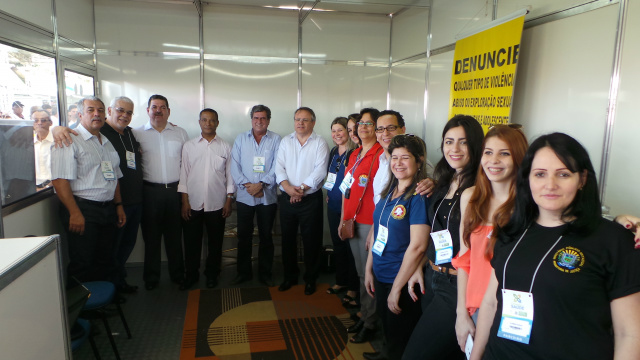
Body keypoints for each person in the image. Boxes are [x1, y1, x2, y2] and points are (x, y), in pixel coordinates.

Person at [470, 132, 640, 360]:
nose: (550, 185)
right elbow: (491, 302)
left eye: (563, 174)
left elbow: (629, 333)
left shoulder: (613, 240)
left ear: (582, 179)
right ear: (527, 178)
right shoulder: (511, 230)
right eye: (540, 174)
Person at [403, 115, 485, 360]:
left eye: (463, 142)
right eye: (449, 142)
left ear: (476, 146)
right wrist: (421, 265)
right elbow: (434, 231)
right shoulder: (444, 181)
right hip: (432, 277)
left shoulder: (480, 188)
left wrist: (463, 309)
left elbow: (473, 249)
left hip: (456, 286)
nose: (454, 149)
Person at [451, 125, 528, 353]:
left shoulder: (530, 205)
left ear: (519, 157)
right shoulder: (471, 197)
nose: (494, 160)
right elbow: (465, 261)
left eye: (504, 153)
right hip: (474, 309)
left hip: (510, 314)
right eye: (488, 152)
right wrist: (461, 313)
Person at [363, 134, 431, 360]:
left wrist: (396, 289)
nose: (398, 163)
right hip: (381, 272)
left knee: (401, 337)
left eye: (405, 158)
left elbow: (418, 246)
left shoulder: (418, 197)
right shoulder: (388, 192)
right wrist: (369, 269)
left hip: (399, 278)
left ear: (419, 161)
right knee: (388, 329)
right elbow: (378, 232)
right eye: (394, 157)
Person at [50, 96, 126, 282]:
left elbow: (114, 176)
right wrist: (74, 213)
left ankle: (100, 304)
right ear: (80, 114)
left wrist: (118, 205)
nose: (96, 114)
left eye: (100, 110)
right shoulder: (69, 140)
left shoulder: (105, 142)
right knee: (82, 262)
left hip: (107, 209)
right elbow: (60, 181)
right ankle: (82, 309)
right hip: (82, 209)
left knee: (103, 259)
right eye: (91, 110)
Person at [338, 107, 383, 344]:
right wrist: (342, 219)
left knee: (369, 276)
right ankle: (365, 315)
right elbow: (347, 189)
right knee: (359, 272)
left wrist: (375, 229)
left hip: (369, 224)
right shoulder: (355, 154)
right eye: (360, 123)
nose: (363, 127)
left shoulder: (382, 154)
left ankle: (371, 322)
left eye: (369, 123)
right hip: (352, 221)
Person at [136, 94, 189, 290]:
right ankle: (151, 277)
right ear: (148, 110)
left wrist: (185, 197)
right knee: (151, 238)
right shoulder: (137, 134)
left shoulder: (180, 133)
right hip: (150, 192)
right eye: (154, 107)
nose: (158, 110)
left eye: (162, 107)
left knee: (175, 237)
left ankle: (177, 274)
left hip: (175, 191)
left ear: (168, 111)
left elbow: (186, 165)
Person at [179, 108, 235, 290]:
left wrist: (229, 199)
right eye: (204, 120)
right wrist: (184, 201)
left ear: (217, 123)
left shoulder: (225, 147)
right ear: (199, 122)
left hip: (217, 203)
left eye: (212, 120)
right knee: (191, 242)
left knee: (215, 243)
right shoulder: (189, 146)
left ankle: (212, 274)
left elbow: (230, 176)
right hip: (193, 202)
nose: (208, 123)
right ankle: (191, 275)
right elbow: (184, 175)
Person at [275, 106, 329, 295]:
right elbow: (279, 168)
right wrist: (289, 189)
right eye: (297, 119)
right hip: (287, 198)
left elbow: (320, 170)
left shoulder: (320, 142)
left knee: (311, 241)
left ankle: (311, 279)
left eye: (305, 120)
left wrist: (301, 189)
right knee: (288, 239)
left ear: (313, 122)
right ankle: (290, 277)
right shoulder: (285, 141)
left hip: (310, 199)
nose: (300, 123)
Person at [230, 105, 281, 287]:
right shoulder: (241, 139)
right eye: (256, 118)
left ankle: (265, 273)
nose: (259, 121)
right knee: (244, 236)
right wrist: (248, 186)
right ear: (251, 119)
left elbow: (278, 166)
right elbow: (234, 166)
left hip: (267, 197)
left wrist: (262, 185)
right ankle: (243, 273)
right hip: (245, 196)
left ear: (268, 120)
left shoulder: (276, 140)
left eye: (263, 118)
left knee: (266, 236)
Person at [102, 96, 144, 294]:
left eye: (129, 112)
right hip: (116, 203)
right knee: (112, 248)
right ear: (110, 110)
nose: (124, 115)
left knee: (127, 244)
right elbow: (74, 130)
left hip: (135, 200)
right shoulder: (99, 132)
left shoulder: (129, 133)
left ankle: (119, 282)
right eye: (120, 110)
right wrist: (59, 129)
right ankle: (110, 288)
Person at [325, 117, 358, 302]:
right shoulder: (333, 151)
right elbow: (331, 175)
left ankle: (353, 288)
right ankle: (341, 281)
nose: (337, 134)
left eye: (341, 130)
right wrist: (329, 192)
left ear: (349, 132)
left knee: (350, 248)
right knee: (337, 245)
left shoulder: (354, 153)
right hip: (333, 204)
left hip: (349, 207)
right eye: (334, 131)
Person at [32, 109, 54, 190]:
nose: (39, 123)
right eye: (35, 120)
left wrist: (47, 187)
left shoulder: (57, 141)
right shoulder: (28, 143)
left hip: (54, 188)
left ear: (50, 122)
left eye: (43, 120)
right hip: (34, 188)